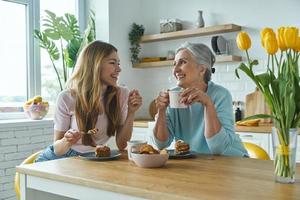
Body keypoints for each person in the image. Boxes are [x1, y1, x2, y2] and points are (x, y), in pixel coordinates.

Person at [36, 41, 143, 162]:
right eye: (113, 63)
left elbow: (122, 144)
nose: (119, 69)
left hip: (94, 158)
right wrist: (67, 140)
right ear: (94, 65)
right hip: (61, 159)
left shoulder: (121, 94)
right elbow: (58, 149)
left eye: (118, 63)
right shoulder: (67, 97)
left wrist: (131, 112)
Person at [152, 42, 248, 157]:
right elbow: (161, 144)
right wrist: (161, 111)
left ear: (202, 69)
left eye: (182, 62)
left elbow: (219, 148)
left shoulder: (220, 94)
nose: (175, 69)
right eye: (174, 64)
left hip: (230, 161)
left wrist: (208, 104)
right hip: (196, 163)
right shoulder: (173, 95)